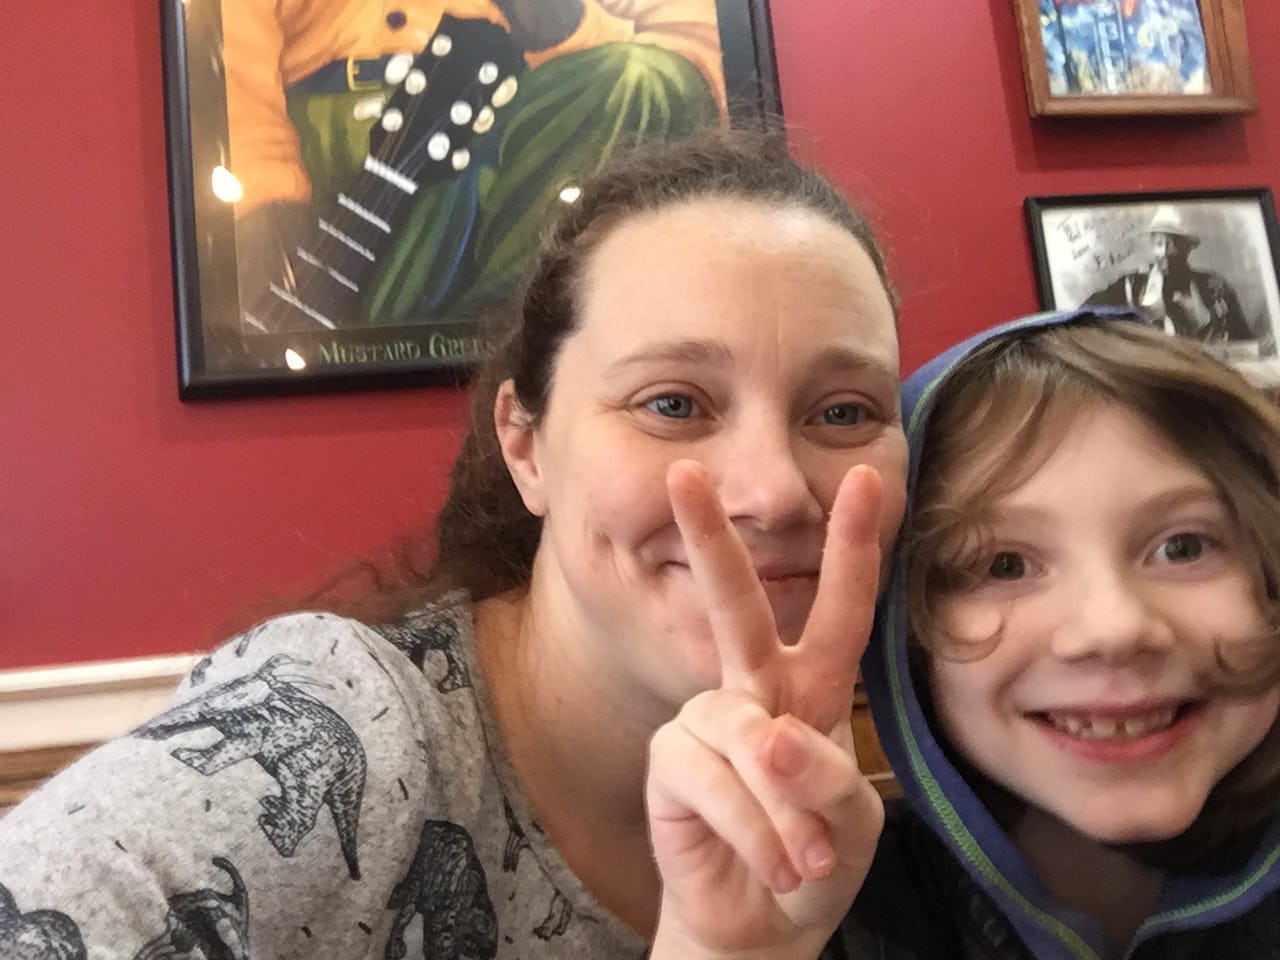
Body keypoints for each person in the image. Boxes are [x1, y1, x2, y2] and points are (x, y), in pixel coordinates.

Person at [0, 128, 909, 959]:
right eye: (672, 404)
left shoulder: (887, 804)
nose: (777, 490)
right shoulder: (338, 736)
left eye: (843, 412)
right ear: (526, 445)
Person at [647, 307, 1280, 960]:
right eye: (1002, 564)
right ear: (906, 640)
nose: (1114, 628)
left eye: (1183, 547)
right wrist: (726, 949)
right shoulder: (826, 907)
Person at [225, 0, 726, 344]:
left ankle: (524, 360)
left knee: (644, 81)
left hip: (528, 124)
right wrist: (262, 214)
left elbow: (701, 54)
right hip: (329, 140)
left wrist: (560, 22)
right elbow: (228, 66)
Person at [1084, 206, 1255, 347]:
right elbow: (1083, 314)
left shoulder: (1214, 286)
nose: (1164, 252)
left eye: (1173, 244)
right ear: (1152, 246)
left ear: (1187, 249)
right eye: (1158, 243)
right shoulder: (1132, 284)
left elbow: (1244, 342)